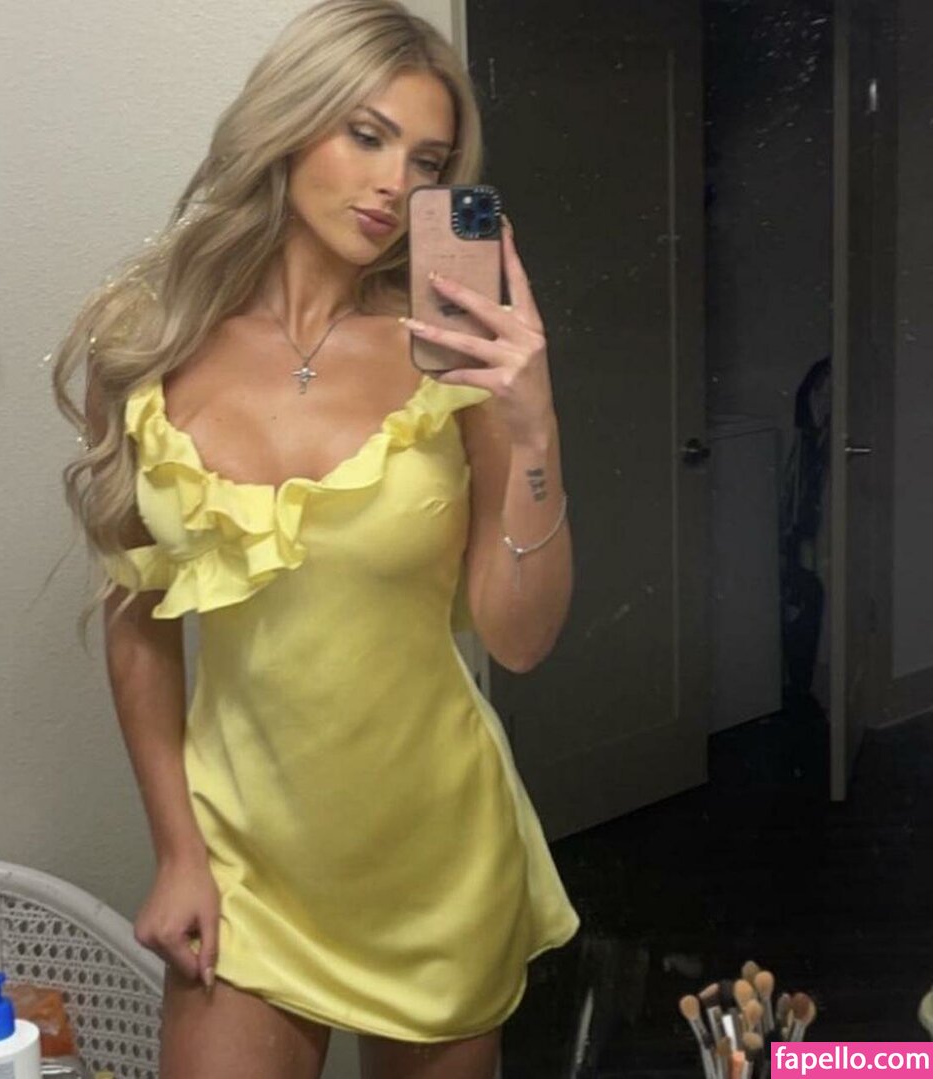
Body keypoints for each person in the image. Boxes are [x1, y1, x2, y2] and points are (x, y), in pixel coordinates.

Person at [50, 2, 580, 1075]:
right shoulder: (147, 344)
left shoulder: (452, 361)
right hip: (243, 858)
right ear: (289, 129)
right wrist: (176, 852)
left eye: (426, 161)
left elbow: (519, 640)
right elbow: (139, 623)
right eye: (366, 135)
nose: (394, 185)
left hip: (433, 858)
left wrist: (534, 429)